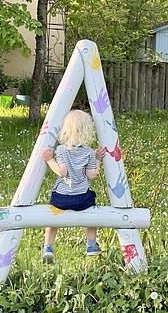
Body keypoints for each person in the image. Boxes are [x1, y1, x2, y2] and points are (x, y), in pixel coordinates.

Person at [40, 109, 105, 262]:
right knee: (91, 217)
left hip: (61, 199)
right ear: (87, 130)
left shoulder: (62, 150)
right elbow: (91, 175)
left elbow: (62, 172)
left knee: (52, 219)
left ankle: (48, 248)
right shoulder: (89, 152)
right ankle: (91, 245)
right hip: (82, 199)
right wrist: (98, 160)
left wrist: (50, 160)